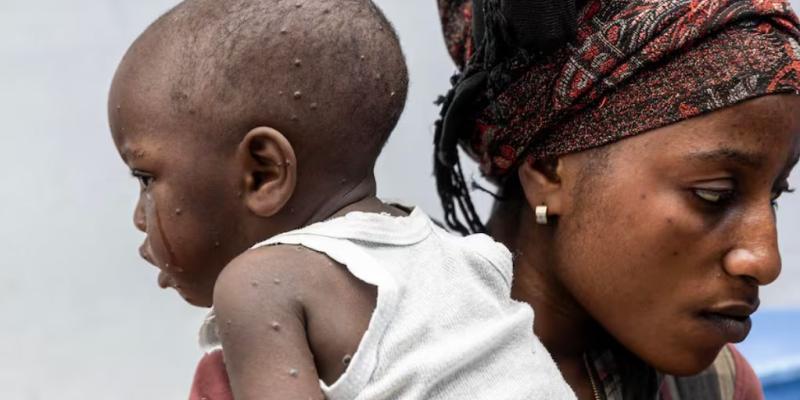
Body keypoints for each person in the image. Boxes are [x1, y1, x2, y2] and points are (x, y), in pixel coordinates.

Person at [108, 0, 575, 399]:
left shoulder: (258, 286)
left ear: (263, 172)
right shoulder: (456, 258)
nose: (137, 216)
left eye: (146, 177)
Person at [434, 0, 800, 399]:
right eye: (713, 195)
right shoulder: (387, 367)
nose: (765, 261)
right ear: (548, 168)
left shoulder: (718, 387)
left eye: (774, 196)